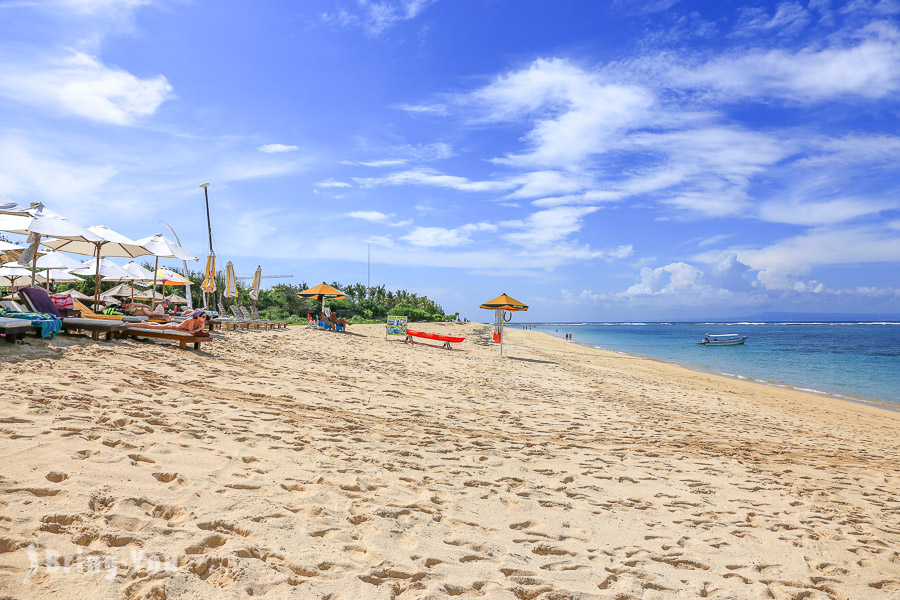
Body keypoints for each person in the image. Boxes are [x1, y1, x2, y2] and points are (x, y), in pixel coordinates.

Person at [125, 310, 206, 334]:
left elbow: (197, 331)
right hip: (171, 327)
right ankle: (130, 324)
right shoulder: (191, 320)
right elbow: (191, 331)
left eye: (205, 317)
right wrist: (200, 328)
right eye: (203, 317)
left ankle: (146, 323)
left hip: (176, 326)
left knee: (157, 325)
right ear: (197, 317)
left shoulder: (201, 322)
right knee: (150, 327)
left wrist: (201, 328)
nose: (205, 318)